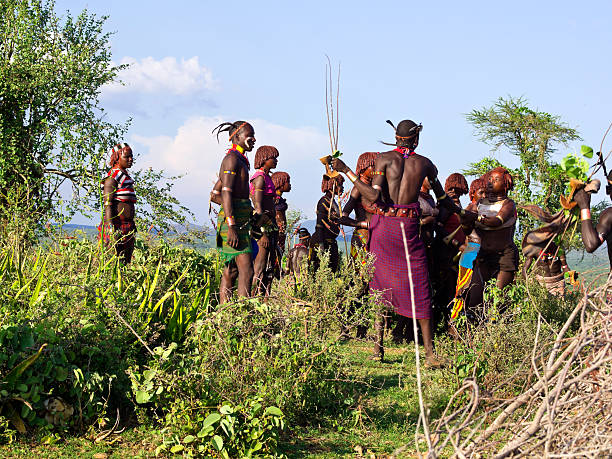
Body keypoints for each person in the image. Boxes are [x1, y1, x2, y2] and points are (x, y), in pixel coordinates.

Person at [332, 119, 474, 366]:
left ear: (396, 138)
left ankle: (378, 348)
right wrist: (466, 216)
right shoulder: (426, 164)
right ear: (416, 140)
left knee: (380, 284)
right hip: (409, 228)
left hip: (384, 228)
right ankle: (429, 354)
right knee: (419, 284)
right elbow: (443, 199)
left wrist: (345, 170)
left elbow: (374, 195)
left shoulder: (384, 159)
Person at [465, 167, 518, 321]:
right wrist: (465, 218)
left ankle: (497, 337)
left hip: (504, 258)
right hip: (482, 257)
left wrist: (476, 218)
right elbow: (467, 227)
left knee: (497, 302)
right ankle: (473, 339)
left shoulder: (508, 204)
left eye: (496, 180)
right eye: (489, 179)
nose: (490, 182)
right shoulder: (480, 203)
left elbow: (495, 222)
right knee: (474, 300)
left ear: (506, 184)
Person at [212, 121, 256, 303]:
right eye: (249, 135)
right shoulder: (231, 160)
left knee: (231, 270)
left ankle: (225, 316)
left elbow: (215, 194)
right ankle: (241, 315)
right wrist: (232, 225)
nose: (253, 139)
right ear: (236, 137)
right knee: (246, 269)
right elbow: (225, 193)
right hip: (233, 223)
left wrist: (247, 211)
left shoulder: (240, 160)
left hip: (240, 220)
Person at [450, 177, 486, 321]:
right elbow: (465, 226)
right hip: (471, 254)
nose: (484, 197)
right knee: (464, 294)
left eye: (486, 194)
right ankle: (454, 328)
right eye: (481, 193)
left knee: (474, 296)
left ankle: (465, 332)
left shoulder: (482, 210)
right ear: (472, 194)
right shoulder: (471, 209)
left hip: (476, 255)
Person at [99, 143, 137, 264]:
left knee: (125, 263)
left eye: (131, 156)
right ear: (117, 158)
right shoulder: (112, 177)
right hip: (116, 225)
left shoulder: (125, 177)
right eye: (127, 157)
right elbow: (108, 205)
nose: (130, 159)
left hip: (127, 226)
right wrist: (111, 228)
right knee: (112, 261)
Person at [250, 146, 281, 296]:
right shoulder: (260, 178)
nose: (276, 161)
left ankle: (264, 300)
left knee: (269, 266)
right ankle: (251, 301)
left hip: (270, 225)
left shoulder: (267, 177)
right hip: (263, 226)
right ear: (264, 159)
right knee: (259, 266)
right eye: (273, 158)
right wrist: (262, 233)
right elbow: (258, 206)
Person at [339, 152, 378, 253]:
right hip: (362, 237)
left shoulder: (375, 188)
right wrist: (363, 224)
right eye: (373, 166)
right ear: (363, 169)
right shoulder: (357, 189)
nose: (376, 169)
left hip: (375, 236)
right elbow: (343, 217)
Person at [573, 171, 612, 270]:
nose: (608, 193)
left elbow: (590, 244)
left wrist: (584, 206)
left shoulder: (609, 215)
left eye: (609, 189)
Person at [310, 174, 344, 273]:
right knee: (319, 272)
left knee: (332, 272)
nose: (342, 188)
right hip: (321, 242)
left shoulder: (332, 202)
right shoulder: (323, 202)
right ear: (332, 186)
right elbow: (319, 226)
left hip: (331, 242)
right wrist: (321, 245)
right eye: (340, 185)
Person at [271, 171, 291, 253]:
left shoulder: (278, 198)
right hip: (277, 232)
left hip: (280, 232)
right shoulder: (275, 199)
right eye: (288, 182)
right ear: (280, 184)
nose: (290, 185)